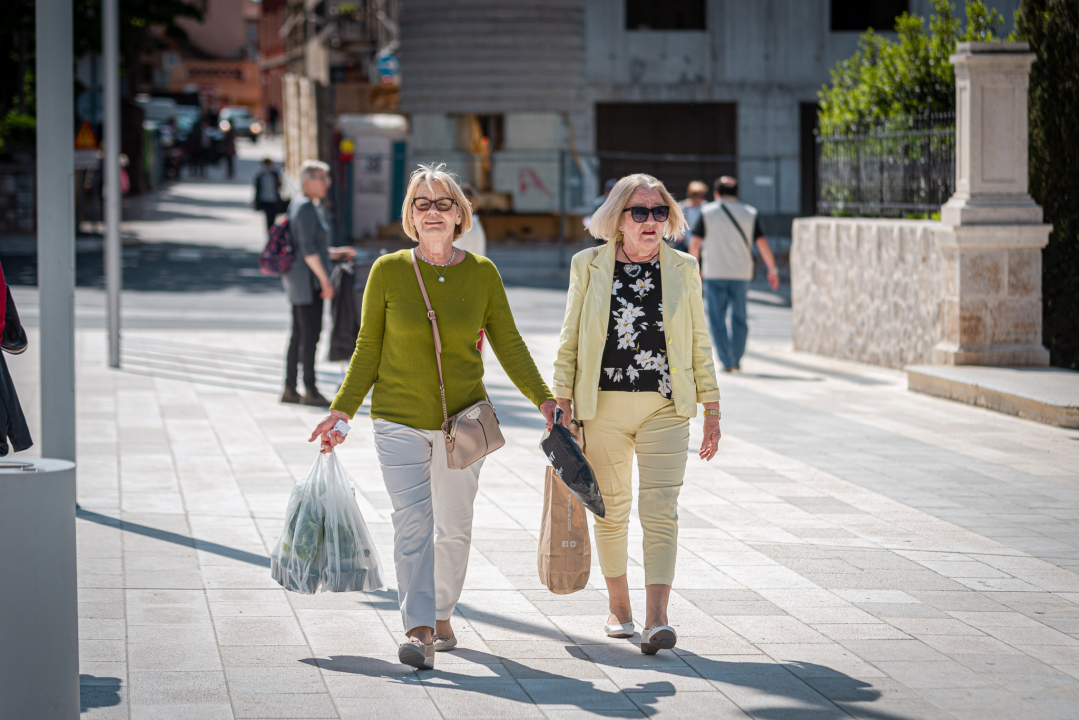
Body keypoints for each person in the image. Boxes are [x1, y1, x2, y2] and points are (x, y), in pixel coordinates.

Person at [309, 163, 557, 670]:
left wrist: (544, 400)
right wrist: (341, 411)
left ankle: (442, 610)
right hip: (397, 419)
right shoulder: (388, 271)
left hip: (463, 423)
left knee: (454, 526)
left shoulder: (483, 273)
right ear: (411, 215)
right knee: (413, 524)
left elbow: (509, 343)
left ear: (460, 214)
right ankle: (418, 629)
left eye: (444, 203)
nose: (433, 212)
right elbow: (367, 346)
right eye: (422, 204)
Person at [553, 173, 721, 656]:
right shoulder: (588, 265)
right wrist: (561, 400)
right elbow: (570, 337)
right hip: (601, 406)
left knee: (661, 511)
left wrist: (711, 406)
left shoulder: (684, 267)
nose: (651, 221)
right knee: (611, 511)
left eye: (659, 211)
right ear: (618, 218)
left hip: (666, 408)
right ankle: (619, 608)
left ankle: (657, 618)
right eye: (640, 211)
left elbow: (699, 338)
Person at [689, 176, 780, 373]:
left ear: (716, 193)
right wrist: (772, 269)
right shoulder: (750, 213)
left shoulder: (707, 212)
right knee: (740, 317)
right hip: (741, 273)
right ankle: (737, 358)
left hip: (715, 272)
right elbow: (762, 243)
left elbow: (695, 243)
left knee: (717, 318)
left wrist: (693, 270)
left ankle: (727, 360)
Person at [281, 160, 336, 406]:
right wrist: (326, 281)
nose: (327, 183)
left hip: (302, 279)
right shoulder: (305, 207)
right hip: (308, 281)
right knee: (310, 335)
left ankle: (291, 389)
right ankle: (310, 390)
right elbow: (307, 249)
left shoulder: (302, 204)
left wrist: (334, 253)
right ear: (307, 181)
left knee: (299, 334)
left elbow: (311, 246)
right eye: (322, 178)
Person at [673, 180, 708, 253]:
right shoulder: (683, 207)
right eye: (696, 195)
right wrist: (679, 235)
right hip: (685, 244)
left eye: (701, 195)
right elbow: (676, 223)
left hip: (702, 245)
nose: (698, 198)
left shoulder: (706, 207)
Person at [253, 158, 283, 230]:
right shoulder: (260, 176)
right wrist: (256, 201)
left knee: (273, 218)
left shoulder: (274, 174)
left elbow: (279, 186)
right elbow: (257, 189)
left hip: (274, 199)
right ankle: (270, 232)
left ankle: (272, 232)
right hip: (265, 200)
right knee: (268, 218)